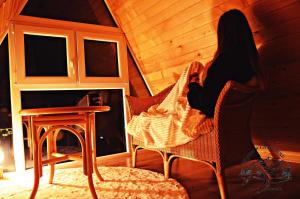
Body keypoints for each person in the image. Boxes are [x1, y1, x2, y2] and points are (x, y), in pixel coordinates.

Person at [187, 9, 260, 118]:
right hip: (234, 117)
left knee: (192, 68)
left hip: (217, 115)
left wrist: (193, 85)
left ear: (223, 35)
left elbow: (207, 104)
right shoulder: (251, 60)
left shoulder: (223, 63)